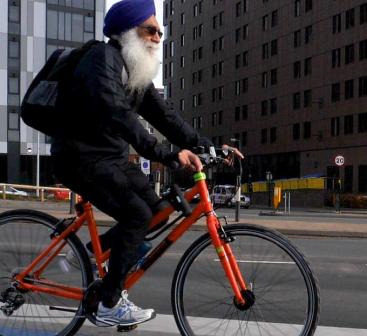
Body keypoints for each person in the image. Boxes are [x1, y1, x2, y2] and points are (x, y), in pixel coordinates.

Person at [51, 0, 243, 328]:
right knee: (137, 215)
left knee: (156, 211)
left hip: (108, 159)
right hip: (79, 158)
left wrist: (210, 148)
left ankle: (82, 254)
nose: (158, 37)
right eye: (150, 30)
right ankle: (109, 304)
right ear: (128, 32)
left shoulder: (136, 72)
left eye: (160, 32)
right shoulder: (102, 59)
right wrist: (165, 154)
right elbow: (118, 113)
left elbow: (167, 118)